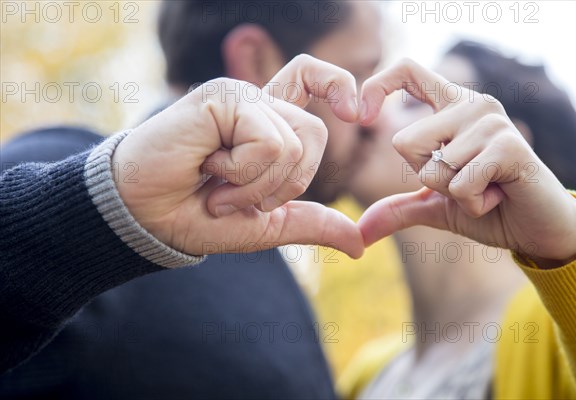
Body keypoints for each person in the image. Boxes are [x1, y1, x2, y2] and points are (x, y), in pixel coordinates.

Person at [0, 1, 383, 398]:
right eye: (354, 77)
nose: (375, 122)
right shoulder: (58, 163)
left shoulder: (259, 252)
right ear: (256, 60)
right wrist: (103, 204)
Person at [341, 47, 576, 399]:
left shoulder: (554, 335)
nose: (368, 120)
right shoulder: (366, 374)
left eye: (412, 104)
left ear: (502, 151)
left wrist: (571, 242)